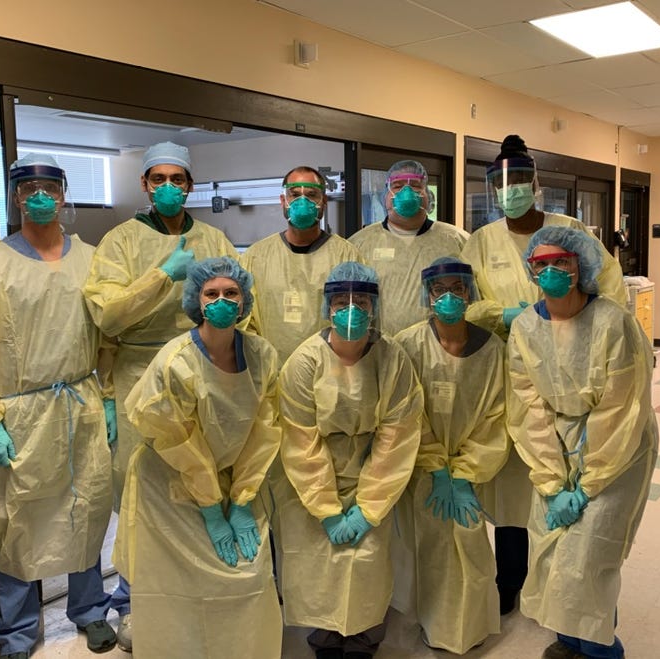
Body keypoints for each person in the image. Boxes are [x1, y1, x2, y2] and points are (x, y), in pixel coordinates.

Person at [0, 154, 116, 659]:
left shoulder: (92, 259)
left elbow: (107, 334)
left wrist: (106, 398)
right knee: (17, 520)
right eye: (28, 188)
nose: (39, 196)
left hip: (81, 404)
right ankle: (18, 629)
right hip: (20, 413)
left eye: (49, 187)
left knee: (85, 510)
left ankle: (89, 611)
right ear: (14, 196)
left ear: (65, 195)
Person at [460, 134, 628, 615]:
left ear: (536, 184)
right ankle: (511, 582)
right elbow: (467, 303)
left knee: (574, 484)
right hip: (514, 376)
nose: (510, 190)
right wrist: (506, 314)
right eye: (501, 182)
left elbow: (610, 293)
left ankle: (576, 598)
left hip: (574, 376)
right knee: (516, 483)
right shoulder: (481, 242)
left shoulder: (570, 231)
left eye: (519, 180)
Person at [82, 141, 237, 650]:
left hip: (201, 370)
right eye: (158, 179)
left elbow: (239, 302)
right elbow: (107, 314)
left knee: (201, 481)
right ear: (144, 184)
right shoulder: (120, 241)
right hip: (137, 372)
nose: (169, 187)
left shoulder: (214, 237)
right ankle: (132, 602)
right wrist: (159, 277)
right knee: (142, 494)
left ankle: (196, 596)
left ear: (190, 184)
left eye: (178, 178)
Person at [112, 256, 282, 657]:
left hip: (233, 479)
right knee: (179, 586)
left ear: (245, 301)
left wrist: (240, 500)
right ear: (196, 301)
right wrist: (210, 507)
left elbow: (264, 432)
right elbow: (177, 442)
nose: (222, 300)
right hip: (169, 482)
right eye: (212, 293)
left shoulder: (262, 355)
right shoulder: (176, 362)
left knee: (248, 576)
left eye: (231, 293)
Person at [506, 226, 657, 659]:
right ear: (530, 270)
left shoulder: (613, 322)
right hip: (553, 445)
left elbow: (620, 409)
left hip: (619, 451)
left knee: (591, 556)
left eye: (562, 262)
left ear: (580, 266)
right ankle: (571, 641)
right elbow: (527, 409)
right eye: (542, 263)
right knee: (555, 552)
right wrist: (553, 482)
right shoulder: (525, 328)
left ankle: (601, 650)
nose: (551, 270)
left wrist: (588, 484)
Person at [278, 261, 423, 659]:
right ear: (326, 307)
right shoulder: (304, 361)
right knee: (318, 562)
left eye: (362, 300)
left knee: (368, 564)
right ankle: (324, 636)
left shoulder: (391, 359)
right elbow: (299, 438)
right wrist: (325, 508)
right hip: (314, 479)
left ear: (376, 307)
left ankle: (363, 639)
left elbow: (398, 436)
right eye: (341, 300)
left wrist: (368, 507)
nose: (352, 308)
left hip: (372, 475)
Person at [393, 257, 508, 654]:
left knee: (470, 543)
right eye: (439, 290)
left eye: (457, 289)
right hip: (422, 467)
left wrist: (463, 472)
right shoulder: (408, 344)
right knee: (428, 548)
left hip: (469, 472)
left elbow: (496, 416)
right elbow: (406, 412)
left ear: (470, 294)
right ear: (427, 296)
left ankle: (470, 625)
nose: (448, 297)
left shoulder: (492, 349)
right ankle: (432, 622)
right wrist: (435, 466)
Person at [240, 165, 362, 365]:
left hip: (328, 370)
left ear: (324, 202)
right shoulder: (256, 256)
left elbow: (356, 316)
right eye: (294, 195)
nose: (302, 202)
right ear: (283, 201)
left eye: (312, 195)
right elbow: (245, 320)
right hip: (271, 368)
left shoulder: (346, 255)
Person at [349, 159, 468, 335]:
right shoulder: (359, 243)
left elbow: (473, 297)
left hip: (438, 350)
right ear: (386, 195)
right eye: (397, 186)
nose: (406, 192)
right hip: (379, 350)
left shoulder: (457, 240)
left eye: (415, 185)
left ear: (427, 194)